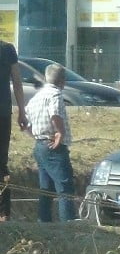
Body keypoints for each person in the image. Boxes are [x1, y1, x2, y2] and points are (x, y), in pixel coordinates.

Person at [23, 63, 76, 222]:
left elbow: (24, 123)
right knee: (65, 187)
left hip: (40, 146)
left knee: (46, 188)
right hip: (54, 147)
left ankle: (44, 223)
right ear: (62, 80)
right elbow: (55, 114)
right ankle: (68, 225)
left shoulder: (36, 97)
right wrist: (60, 133)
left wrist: (36, 136)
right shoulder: (55, 94)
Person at [0, 40, 28, 221]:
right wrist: (22, 112)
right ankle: (3, 214)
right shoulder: (7, 49)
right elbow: (17, 82)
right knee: (1, 163)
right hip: (2, 114)